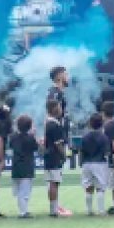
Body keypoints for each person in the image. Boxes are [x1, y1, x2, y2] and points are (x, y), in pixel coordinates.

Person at [47, 66, 72, 216]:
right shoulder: (54, 93)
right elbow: (50, 114)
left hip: (60, 134)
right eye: (66, 74)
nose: (68, 76)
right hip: (56, 137)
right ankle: (54, 208)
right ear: (59, 76)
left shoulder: (58, 93)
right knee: (54, 176)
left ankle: (56, 205)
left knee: (56, 175)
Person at [80, 113, 110, 216]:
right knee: (100, 187)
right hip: (100, 163)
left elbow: (82, 151)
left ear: (90, 124)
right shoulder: (104, 137)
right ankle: (101, 210)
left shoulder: (85, 137)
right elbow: (107, 152)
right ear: (102, 124)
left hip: (87, 163)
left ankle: (89, 210)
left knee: (88, 186)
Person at [10, 114, 39, 219]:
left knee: (19, 191)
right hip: (27, 166)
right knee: (25, 191)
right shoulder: (30, 138)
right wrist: (34, 135)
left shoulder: (13, 137)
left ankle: (23, 210)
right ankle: (23, 212)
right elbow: (36, 148)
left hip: (16, 165)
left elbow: (11, 144)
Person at [44, 100, 67, 217]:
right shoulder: (54, 125)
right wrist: (64, 155)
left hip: (48, 156)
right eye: (59, 107)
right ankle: (54, 210)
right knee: (54, 182)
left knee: (52, 183)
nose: (61, 109)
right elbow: (58, 144)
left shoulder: (46, 123)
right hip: (54, 156)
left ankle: (53, 208)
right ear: (54, 109)